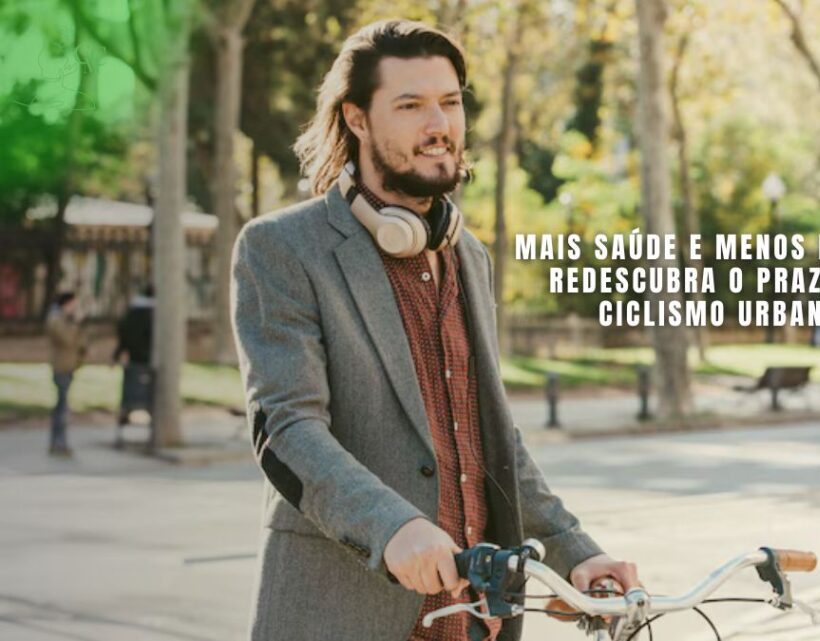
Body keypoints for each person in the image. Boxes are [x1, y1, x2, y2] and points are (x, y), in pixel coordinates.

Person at [231, 20, 638, 641]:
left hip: (474, 624)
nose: (439, 125)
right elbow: (286, 430)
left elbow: (491, 441)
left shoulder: (468, 256)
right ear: (358, 119)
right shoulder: (281, 247)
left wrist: (573, 551)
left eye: (450, 103)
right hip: (342, 620)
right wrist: (391, 526)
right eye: (411, 105)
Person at [45, 291, 86, 457]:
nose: (75, 308)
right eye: (72, 304)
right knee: (62, 407)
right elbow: (67, 339)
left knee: (61, 406)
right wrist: (76, 324)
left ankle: (56, 442)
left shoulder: (66, 320)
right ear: (66, 304)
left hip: (69, 366)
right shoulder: (55, 319)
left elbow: (81, 342)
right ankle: (59, 442)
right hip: (61, 366)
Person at [113, 285, 154, 426]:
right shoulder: (153, 314)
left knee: (131, 386)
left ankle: (126, 410)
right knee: (150, 387)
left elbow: (123, 334)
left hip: (133, 357)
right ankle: (151, 411)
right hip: (149, 357)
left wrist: (117, 354)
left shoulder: (132, 313)